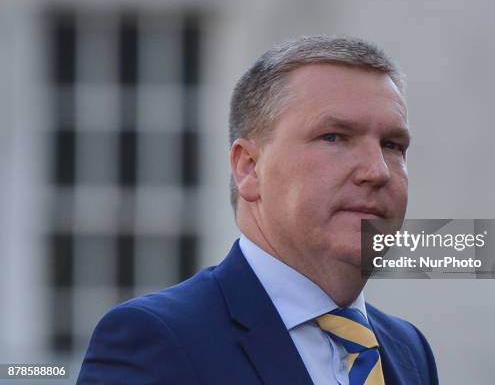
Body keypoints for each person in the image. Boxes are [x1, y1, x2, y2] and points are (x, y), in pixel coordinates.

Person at [77, 35, 438, 385]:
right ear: (249, 167)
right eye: (334, 137)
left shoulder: (408, 349)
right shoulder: (157, 339)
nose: (377, 170)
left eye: (392, 145)